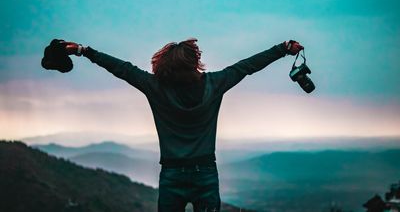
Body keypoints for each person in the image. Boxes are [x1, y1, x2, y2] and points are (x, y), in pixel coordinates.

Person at [63, 38, 304, 212]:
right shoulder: (216, 83)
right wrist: (282, 49)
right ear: (194, 62)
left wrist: (84, 51)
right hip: (205, 172)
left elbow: (122, 69)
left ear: (163, 65)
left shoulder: (155, 87)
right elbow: (247, 66)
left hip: (172, 174)